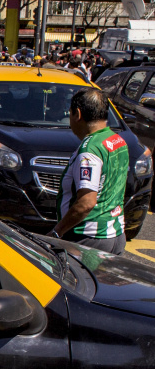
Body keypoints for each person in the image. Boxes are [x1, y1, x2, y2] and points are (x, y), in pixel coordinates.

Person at [49, 88, 128, 255]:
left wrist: (57, 231)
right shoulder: (117, 140)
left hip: (87, 238)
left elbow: (86, 203)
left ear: (77, 114)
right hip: (115, 233)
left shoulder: (90, 150)